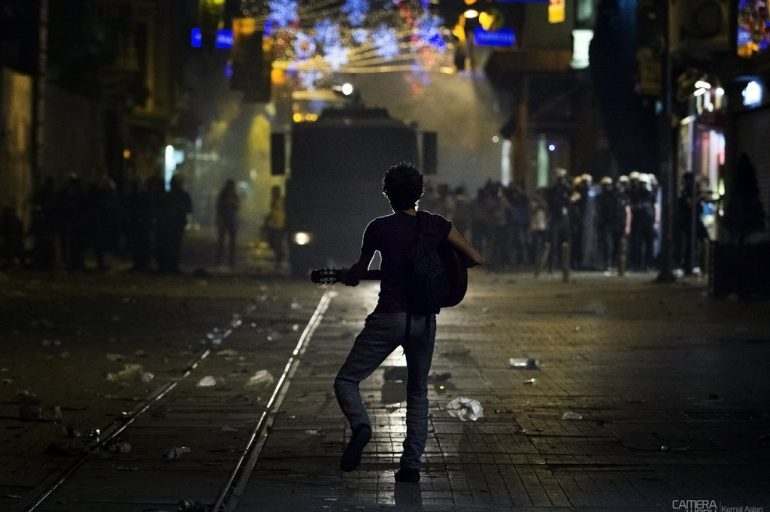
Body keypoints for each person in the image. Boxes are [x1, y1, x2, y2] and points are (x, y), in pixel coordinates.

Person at [334, 162, 482, 483]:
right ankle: (410, 466)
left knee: (346, 381)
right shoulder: (438, 225)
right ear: (420, 192)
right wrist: (443, 266)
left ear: (387, 194)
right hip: (424, 318)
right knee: (417, 391)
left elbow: (360, 271)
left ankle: (361, 426)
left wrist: (349, 277)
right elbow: (474, 258)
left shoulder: (378, 228)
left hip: (389, 316)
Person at [156, 175, 192, 273]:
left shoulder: (181, 195)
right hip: (171, 224)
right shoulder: (169, 195)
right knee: (170, 245)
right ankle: (169, 266)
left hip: (176, 224)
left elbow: (188, 209)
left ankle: (171, 266)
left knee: (174, 245)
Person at [216, 179, 239, 267]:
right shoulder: (223, 195)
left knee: (231, 242)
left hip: (231, 220)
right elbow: (218, 207)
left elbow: (237, 206)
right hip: (224, 219)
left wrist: (233, 203)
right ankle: (219, 259)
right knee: (221, 241)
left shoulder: (234, 195)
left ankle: (230, 259)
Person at [266, 185, 286, 269]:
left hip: (281, 225)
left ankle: (279, 261)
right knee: (271, 243)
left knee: (278, 243)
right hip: (274, 225)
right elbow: (272, 212)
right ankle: (281, 254)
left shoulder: (282, 200)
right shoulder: (273, 201)